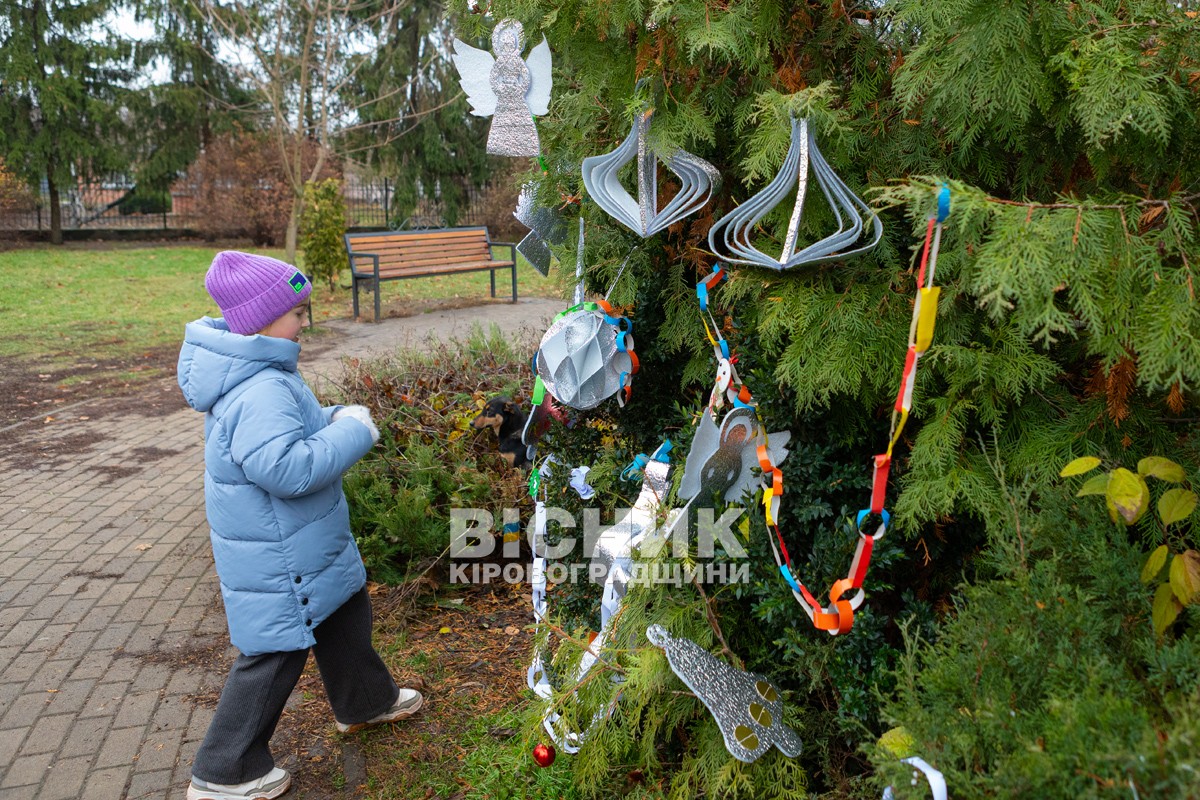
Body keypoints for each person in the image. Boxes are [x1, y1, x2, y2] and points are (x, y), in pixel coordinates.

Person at [177, 251, 423, 800]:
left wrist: (329, 418)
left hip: (301, 542)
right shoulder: (260, 387)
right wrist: (355, 430)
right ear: (262, 318)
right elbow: (287, 468)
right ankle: (224, 770)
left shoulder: (260, 372)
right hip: (280, 555)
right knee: (274, 652)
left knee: (343, 607)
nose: (304, 324)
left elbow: (289, 435)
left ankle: (364, 701)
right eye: (297, 313)